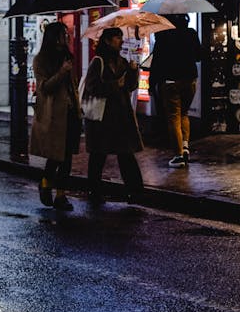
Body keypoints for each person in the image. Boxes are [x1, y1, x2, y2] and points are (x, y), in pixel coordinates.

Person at [82, 26, 144, 204]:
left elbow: (130, 87)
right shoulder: (98, 62)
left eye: (121, 37)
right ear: (107, 41)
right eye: (117, 37)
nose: (121, 40)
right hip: (102, 117)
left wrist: (133, 71)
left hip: (120, 116)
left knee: (126, 154)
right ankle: (94, 191)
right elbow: (92, 88)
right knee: (98, 155)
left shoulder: (123, 61)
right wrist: (115, 84)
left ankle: (135, 191)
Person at [29, 21, 83, 211]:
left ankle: (61, 195)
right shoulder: (41, 60)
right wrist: (61, 72)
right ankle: (45, 182)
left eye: (66, 34)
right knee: (56, 156)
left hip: (70, 113)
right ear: (54, 37)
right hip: (54, 115)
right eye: (62, 34)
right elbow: (44, 88)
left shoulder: (68, 57)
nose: (66, 37)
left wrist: (78, 109)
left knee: (67, 156)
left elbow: (73, 87)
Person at [149, 14, 202, 167]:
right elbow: (198, 56)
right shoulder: (191, 33)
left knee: (174, 117)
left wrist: (153, 84)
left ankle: (178, 156)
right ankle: (185, 146)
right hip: (189, 80)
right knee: (184, 113)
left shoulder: (163, 35)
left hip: (170, 81)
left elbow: (157, 62)